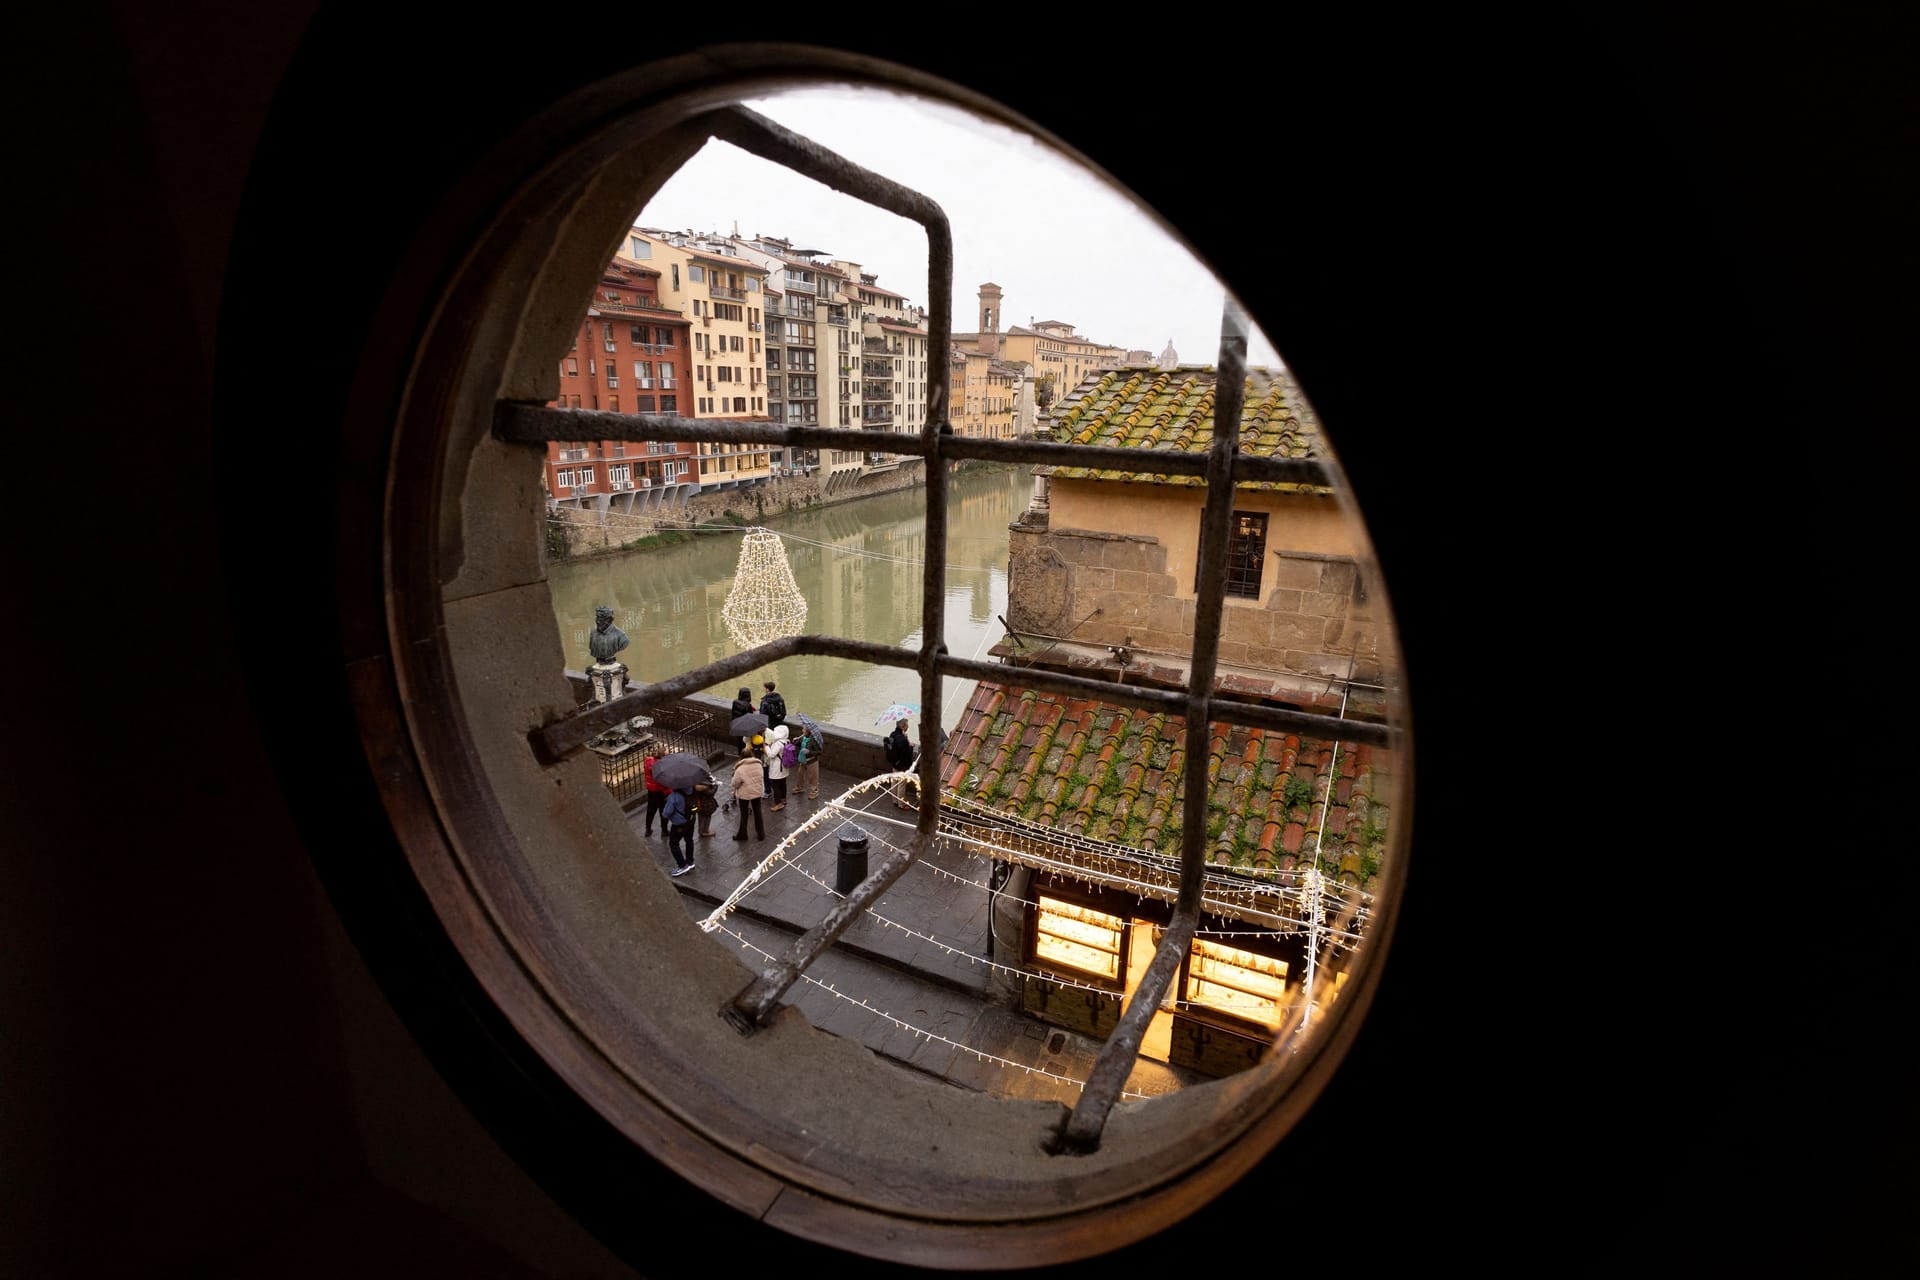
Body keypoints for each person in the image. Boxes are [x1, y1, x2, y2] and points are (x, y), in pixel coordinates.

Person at [730, 744, 766, 841]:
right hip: (757, 792)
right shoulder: (759, 764)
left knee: (744, 814)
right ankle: (761, 834)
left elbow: (735, 783)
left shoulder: (740, 769)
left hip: (744, 794)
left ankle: (742, 835)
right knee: (758, 813)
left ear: (741, 757)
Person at [660, 786, 695, 877]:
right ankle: (690, 862)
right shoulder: (691, 789)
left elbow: (666, 814)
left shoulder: (674, 796)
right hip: (691, 820)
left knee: (673, 843)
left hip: (679, 824)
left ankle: (682, 866)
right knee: (689, 840)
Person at [884, 719, 916, 810]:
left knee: (894, 781)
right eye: (906, 725)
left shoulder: (893, 734)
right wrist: (910, 746)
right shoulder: (902, 739)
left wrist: (905, 739)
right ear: (902, 726)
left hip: (895, 763)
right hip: (902, 765)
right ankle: (901, 804)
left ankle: (895, 800)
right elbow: (906, 753)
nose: (908, 727)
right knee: (901, 784)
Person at [641, 746, 668, 837]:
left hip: (651, 791)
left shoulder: (648, 761)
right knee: (663, 811)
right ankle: (664, 830)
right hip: (660, 791)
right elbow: (662, 781)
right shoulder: (660, 766)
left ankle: (648, 829)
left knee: (650, 810)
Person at [793, 723, 822, 803]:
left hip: (811, 760)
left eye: (804, 730)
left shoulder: (814, 740)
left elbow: (819, 752)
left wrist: (809, 751)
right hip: (802, 759)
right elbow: (801, 745)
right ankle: (799, 787)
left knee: (813, 777)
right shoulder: (803, 737)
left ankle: (814, 792)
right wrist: (796, 742)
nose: (802, 731)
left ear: (808, 731)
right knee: (800, 774)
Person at [766, 724, 791, 811]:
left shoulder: (778, 743)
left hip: (777, 767)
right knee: (783, 783)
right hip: (784, 766)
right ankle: (783, 798)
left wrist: (766, 746)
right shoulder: (787, 741)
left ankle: (778, 803)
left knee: (775, 785)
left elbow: (771, 755)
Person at [730, 686, 757, 750]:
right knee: (746, 742)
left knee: (739, 742)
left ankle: (740, 754)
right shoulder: (748, 705)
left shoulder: (735, 702)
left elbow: (734, 713)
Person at [691, 772, 717, 838]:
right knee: (707, 817)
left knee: (701, 817)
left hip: (698, 803)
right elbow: (710, 793)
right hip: (706, 804)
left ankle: (701, 831)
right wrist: (715, 786)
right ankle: (705, 831)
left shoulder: (695, 782)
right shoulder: (705, 785)